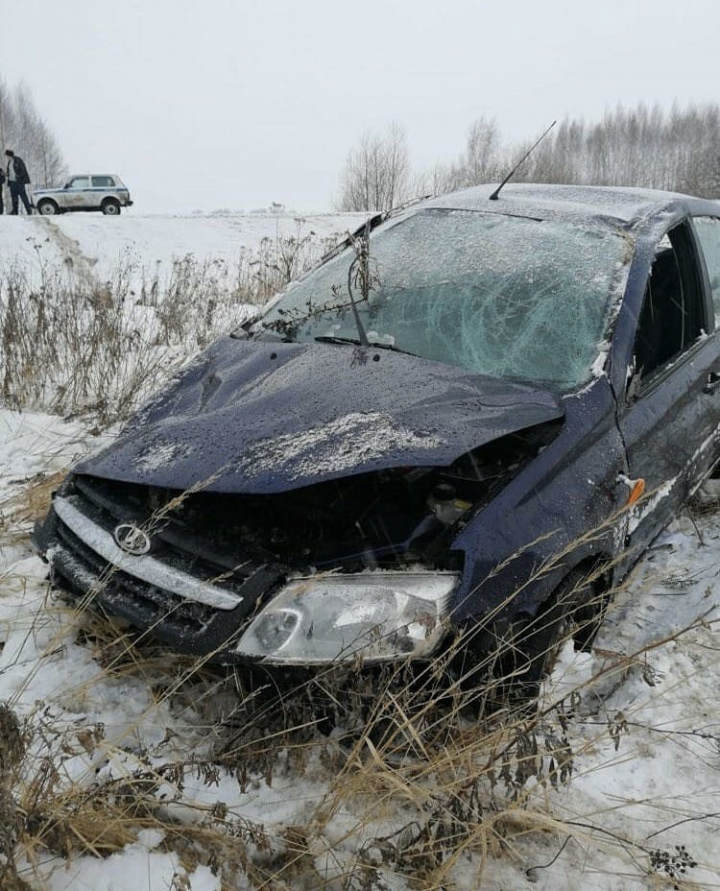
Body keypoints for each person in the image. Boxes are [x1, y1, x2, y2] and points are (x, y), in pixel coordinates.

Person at [5, 150, 33, 215]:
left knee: (23, 197)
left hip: (19, 182)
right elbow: (10, 171)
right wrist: (6, 174)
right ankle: (15, 211)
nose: (6, 157)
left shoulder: (18, 160)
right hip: (12, 182)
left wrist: (18, 176)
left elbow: (23, 170)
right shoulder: (9, 162)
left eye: (7, 156)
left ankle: (29, 210)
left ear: (9, 155)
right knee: (14, 197)